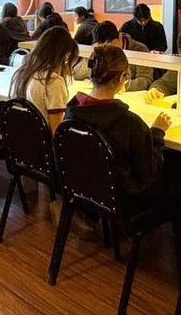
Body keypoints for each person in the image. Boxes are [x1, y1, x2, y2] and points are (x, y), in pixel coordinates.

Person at [64, 45, 172, 200]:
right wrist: (157, 132)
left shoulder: (72, 110)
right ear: (123, 77)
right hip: (122, 197)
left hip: (83, 187)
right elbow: (148, 171)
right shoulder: (129, 123)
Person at [10, 26, 78, 133]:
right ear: (65, 55)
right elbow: (56, 131)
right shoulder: (53, 81)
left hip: (20, 137)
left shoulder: (21, 73)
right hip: (42, 140)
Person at [73, 21, 152, 91]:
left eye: (110, 46)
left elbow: (146, 79)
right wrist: (92, 58)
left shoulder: (139, 49)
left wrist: (122, 85)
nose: (106, 52)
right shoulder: (97, 51)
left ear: (119, 38)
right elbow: (76, 74)